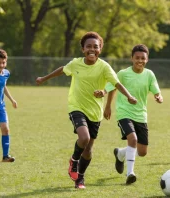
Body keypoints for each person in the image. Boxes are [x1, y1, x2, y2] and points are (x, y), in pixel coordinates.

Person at [35, 32, 137, 189]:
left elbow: (116, 84)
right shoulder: (76, 63)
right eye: (88, 46)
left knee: (88, 150)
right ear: (83, 49)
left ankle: (80, 178)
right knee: (84, 138)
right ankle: (73, 161)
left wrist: (128, 96)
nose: (92, 49)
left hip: (95, 112)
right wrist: (44, 78)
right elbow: (63, 69)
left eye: (95, 47)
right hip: (76, 107)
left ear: (100, 49)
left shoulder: (104, 67)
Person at [103, 44, 163, 185]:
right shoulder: (123, 73)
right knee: (133, 139)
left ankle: (121, 153)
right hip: (124, 113)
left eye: (143, 58)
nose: (140, 60)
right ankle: (130, 173)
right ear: (131, 58)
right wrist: (108, 106)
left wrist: (159, 97)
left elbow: (156, 91)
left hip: (141, 115)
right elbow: (112, 88)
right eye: (137, 58)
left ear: (147, 60)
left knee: (142, 152)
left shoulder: (149, 74)